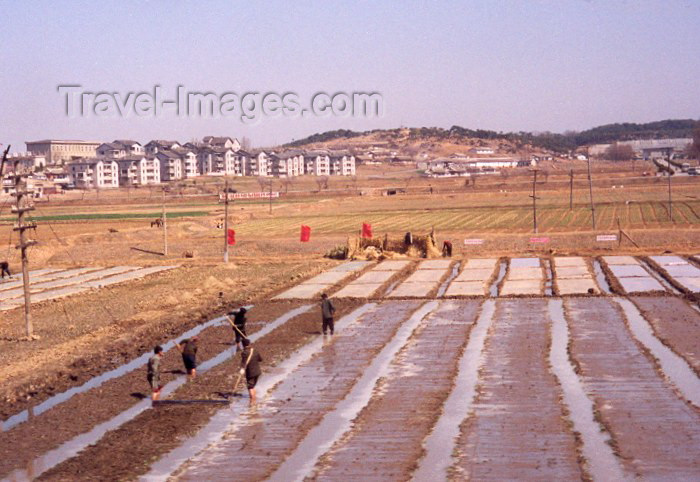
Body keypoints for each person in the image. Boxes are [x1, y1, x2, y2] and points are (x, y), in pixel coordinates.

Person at [239, 338, 263, 405]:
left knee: (250, 387)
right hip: (258, 372)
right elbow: (260, 359)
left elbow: (243, 362)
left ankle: (253, 403)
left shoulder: (244, 353)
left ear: (243, 345)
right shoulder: (255, 350)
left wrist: (242, 369)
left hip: (250, 373)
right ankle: (254, 400)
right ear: (249, 343)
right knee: (253, 386)